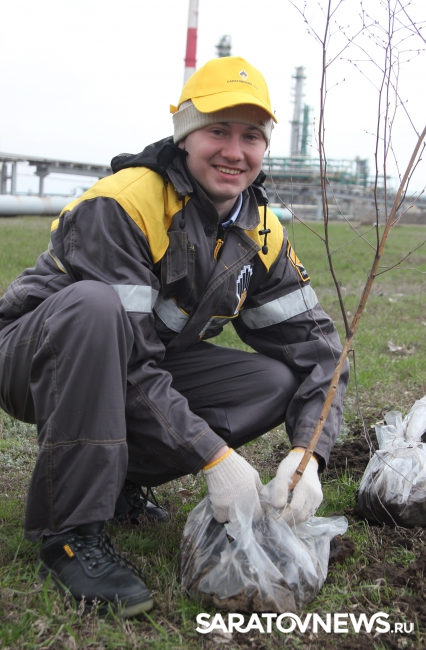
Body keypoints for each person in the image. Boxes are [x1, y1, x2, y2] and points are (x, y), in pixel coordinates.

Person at [0, 56, 348, 616]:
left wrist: (307, 455)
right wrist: (213, 456)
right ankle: (70, 533)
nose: (235, 151)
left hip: (137, 364)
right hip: (35, 358)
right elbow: (128, 358)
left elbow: (318, 353)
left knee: (273, 380)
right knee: (95, 307)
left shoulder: (261, 230)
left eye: (251, 137)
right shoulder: (126, 202)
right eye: (218, 131)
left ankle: (116, 483)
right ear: (185, 135)